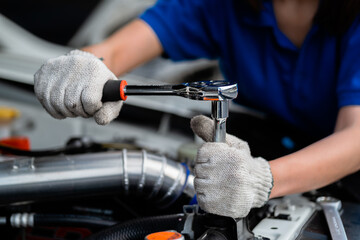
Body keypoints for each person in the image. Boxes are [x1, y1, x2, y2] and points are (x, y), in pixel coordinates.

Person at [34, 0, 360, 218]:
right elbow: (116, 50)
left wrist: (263, 180)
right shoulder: (223, 5)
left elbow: (354, 137)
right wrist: (85, 68)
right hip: (267, 144)